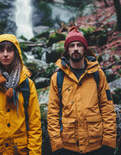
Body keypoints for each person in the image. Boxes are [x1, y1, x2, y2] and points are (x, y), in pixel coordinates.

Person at [47, 26, 116, 155]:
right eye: (72, 45)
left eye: (79, 45)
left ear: (85, 49)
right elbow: (52, 114)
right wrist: (57, 145)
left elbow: (107, 109)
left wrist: (109, 142)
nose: (76, 49)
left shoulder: (97, 75)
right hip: (68, 147)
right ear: (67, 50)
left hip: (96, 146)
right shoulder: (58, 78)